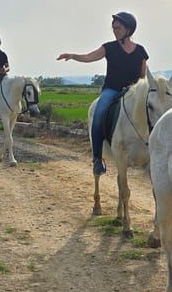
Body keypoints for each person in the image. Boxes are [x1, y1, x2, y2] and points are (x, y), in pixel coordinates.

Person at [57, 11, 148, 176]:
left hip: (133, 92)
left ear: (128, 29)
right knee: (98, 113)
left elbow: (143, 76)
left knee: (151, 111)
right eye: (113, 28)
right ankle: (98, 159)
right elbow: (89, 57)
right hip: (112, 90)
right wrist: (73, 56)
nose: (115, 30)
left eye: (118, 28)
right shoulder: (109, 47)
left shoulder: (141, 51)